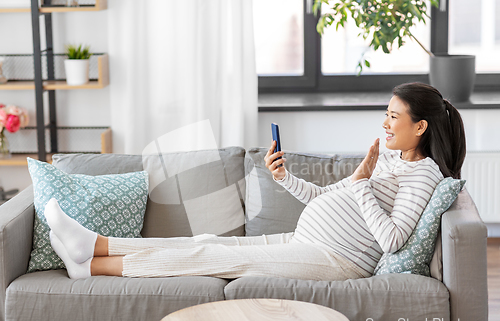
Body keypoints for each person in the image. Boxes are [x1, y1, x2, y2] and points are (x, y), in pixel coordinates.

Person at [46, 82, 466, 280]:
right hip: (305, 242)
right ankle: (95, 246)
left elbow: (392, 240)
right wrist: (284, 178)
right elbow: (323, 196)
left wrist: (360, 182)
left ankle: (93, 268)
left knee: (207, 257)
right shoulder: (392, 161)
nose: (385, 122)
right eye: (386, 113)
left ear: (422, 126)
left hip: (337, 261)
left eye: (394, 116)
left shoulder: (424, 173)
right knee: (202, 241)